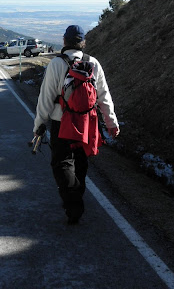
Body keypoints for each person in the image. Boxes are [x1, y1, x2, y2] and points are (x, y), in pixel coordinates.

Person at [33, 25, 120, 224]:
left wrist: (39, 124)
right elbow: (103, 96)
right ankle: (76, 197)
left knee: (62, 163)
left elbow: (45, 98)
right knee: (80, 162)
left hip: (61, 121)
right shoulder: (93, 63)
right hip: (87, 122)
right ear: (83, 42)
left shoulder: (56, 64)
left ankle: (73, 204)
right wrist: (111, 123)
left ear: (64, 41)